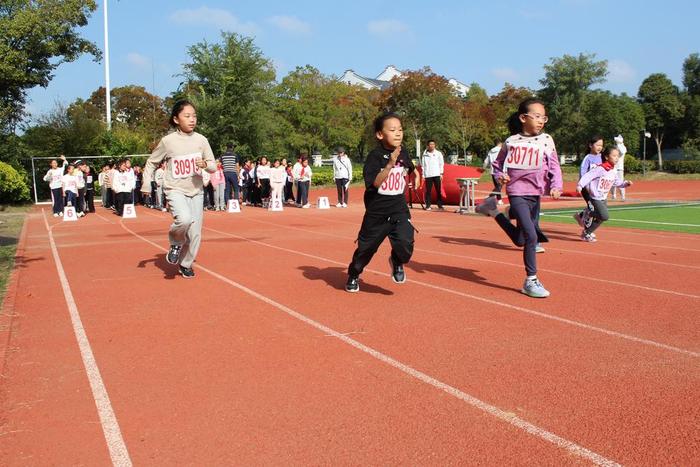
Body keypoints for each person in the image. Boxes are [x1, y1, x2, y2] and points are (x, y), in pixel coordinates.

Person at [475, 98, 562, 298]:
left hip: (535, 193)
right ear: (523, 118)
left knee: (521, 240)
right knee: (531, 237)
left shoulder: (546, 140)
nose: (541, 121)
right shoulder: (510, 142)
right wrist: (499, 176)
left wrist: (556, 185)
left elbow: (555, 165)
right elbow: (497, 165)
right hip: (516, 192)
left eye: (544, 117)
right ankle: (530, 280)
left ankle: (493, 210)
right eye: (537, 116)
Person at [345, 112, 422, 293]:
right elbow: (375, 183)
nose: (398, 133)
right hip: (377, 212)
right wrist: (389, 165)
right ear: (380, 134)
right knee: (366, 249)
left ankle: (396, 261)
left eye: (400, 129)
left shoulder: (402, 151)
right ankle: (354, 274)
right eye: (393, 130)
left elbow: (409, 165)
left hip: (399, 209)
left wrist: (416, 174)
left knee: (406, 244)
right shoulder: (375, 156)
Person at [141, 100, 216, 278]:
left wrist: (205, 164)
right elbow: (151, 162)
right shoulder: (168, 141)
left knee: (195, 234)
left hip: (196, 191)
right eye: (187, 116)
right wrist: (146, 183)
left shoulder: (201, 140)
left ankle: (185, 264)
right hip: (175, 188)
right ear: (176, 119)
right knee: (184, 219)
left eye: (194, 116)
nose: (192, 120)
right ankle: (175, 243)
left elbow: (213, 166)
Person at [576, 146, 632, 242]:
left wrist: (625, 184)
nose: (616, 158)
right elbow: (588, 176)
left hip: (603, 198)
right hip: (595, 198)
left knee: (600, 218)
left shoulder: (613, 171)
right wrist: (580, 185)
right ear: (606, 157)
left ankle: (587, 232)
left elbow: (617, 182)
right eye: (614, 155)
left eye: (618, 156)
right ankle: (588, 214)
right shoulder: (600, 168)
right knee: (604, 216)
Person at [573, 135, 604, 232]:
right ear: (590, 145)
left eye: (601, 145)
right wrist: (584, 186)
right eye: (597, 145)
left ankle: (581, 215)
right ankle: (587, 231)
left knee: (596, 208)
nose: (599, 147)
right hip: (586, 189)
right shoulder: (588, 158)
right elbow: (583, 174)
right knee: (592, 208)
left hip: (597, 189)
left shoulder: (602, 158)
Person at [420, 139, 445, 211]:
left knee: (438, 190)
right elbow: (423, 166)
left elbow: (441, 164)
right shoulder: (424, 155)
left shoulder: (438, 153)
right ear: (428, 146)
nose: (432, 146)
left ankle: (440, 205)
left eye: (433, 144)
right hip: (428, 175)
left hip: (437, 174)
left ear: (435, 145)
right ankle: (428, 205)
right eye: (430, 144)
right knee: (428, 191)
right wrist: (423, 175)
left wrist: (441, 173)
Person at [483, 140, 504, 204]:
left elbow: (486, 161)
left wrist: (484, 167)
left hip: (492, 170)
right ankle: (490, 196)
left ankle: (499, 200)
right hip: (500, 170)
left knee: (497, 186)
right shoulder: (502, 150)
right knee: (499, 185)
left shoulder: (491, 151)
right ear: (500, 143)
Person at [612, 134, 627, 201]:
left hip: (620, 168)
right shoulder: (615, 147)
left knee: (620, 183)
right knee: (612, 182)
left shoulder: (623, 147)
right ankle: (613, 195)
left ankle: (623, 196)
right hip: (613, 168)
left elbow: (622, 151)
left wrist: (619, 144)